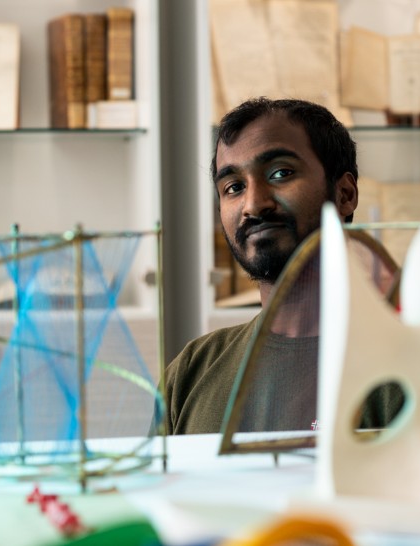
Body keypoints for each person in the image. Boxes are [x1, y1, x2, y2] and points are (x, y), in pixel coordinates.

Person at [164, 97, 399, 435]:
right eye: (234, 187)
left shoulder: (400, 366)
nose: (254, 204)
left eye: (280, 173)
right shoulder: (191, 371)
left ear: (345, 194)